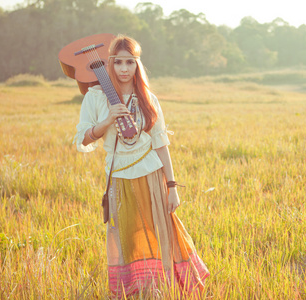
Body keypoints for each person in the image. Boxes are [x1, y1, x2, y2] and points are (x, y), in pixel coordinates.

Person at [73, 35, 209, 298]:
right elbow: (83, 138)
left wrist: (172, 186)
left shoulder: (147, 98)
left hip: (151, 175)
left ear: (138, 65)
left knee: (160, 231)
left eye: (130, 62)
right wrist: (107, 121)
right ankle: (134, 290)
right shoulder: (96, 96)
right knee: (127, 236)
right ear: (110, 64)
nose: (124, 69)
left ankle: (161, 288)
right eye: (119, 62)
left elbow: (160, 142)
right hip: (119, 177)